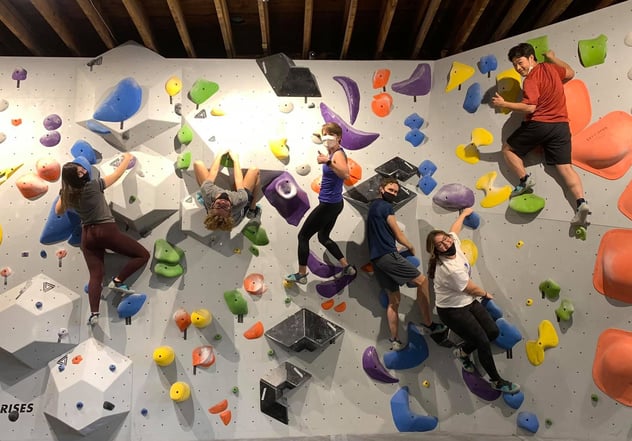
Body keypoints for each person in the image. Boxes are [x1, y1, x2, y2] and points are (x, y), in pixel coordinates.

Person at [491, 42, 589, 224]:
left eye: (520, 62)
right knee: (565, 168)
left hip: (540, 123)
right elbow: (570, 72)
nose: (519, 68)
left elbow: (530, 106)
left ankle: (524, 180)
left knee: (507, 149)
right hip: (561, 127)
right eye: (515, 65)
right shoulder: (552, 69)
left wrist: (504, 104)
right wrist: (553, 58)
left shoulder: (530, 79)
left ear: (531, 58)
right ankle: (581, 202)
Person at [425, 208, 520, 394]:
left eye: (446, 239)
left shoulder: (453, 243)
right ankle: (496, 381)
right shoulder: (449, 268)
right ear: (435, 251)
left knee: (492, 331)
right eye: (440, 245)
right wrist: (485, 294)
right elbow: (470, 288)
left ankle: (463, 351)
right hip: (452, 311)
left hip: (466, 301)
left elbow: (454, 229)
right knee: (483, 341)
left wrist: (462, 214)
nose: (446, 243)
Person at [56, 153, 150, 326]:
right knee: (143, 255)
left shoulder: (68, 194)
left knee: (95, 275)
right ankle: (118, 281)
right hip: (105, 230)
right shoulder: (93, 185)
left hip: (87, 235)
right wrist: (127, 159)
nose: (84, 170)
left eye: (82, 168)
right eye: (79, 171)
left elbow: (58, 211)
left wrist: (65, 193)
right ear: (77, 176)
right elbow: (116, 175)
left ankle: (94, 314)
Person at [367, 176, 446, 351]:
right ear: (381, 189)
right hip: (387, 255)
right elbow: (396, 231)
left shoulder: (372, 207)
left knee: (393, 300)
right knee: (422, 281)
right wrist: (409, 245)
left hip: (376, 260)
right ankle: (428, 323)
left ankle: (394, 339)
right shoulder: (386, 207)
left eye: (395, 191)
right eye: (390, 189)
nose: (393, 193)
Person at [285, 122, 355, 284]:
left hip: (329, 204)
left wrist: (328, 162)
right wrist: (327, 159)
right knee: (323, 236)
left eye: (329, 134)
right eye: (324, 134)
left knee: (303, 236)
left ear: (338, 137)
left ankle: (301, 274)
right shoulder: (333, 153)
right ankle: (346, 266)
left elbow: (345, 174)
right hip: (334, 204)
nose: (325, 138)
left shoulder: (337, 154)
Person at [194, 150, 260, 231]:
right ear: (231, 210)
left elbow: (213, 173)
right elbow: (238, 181)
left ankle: (206, 194)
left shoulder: (208, 192)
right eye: (225, 207)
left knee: (198, 164)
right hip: (236, 216)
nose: (222, 202)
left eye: (219, 205)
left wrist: (220, 154)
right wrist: (236, 160)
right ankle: (252, 210)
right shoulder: (240, 200)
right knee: (255, 170)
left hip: (210, 197)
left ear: (212, 205)